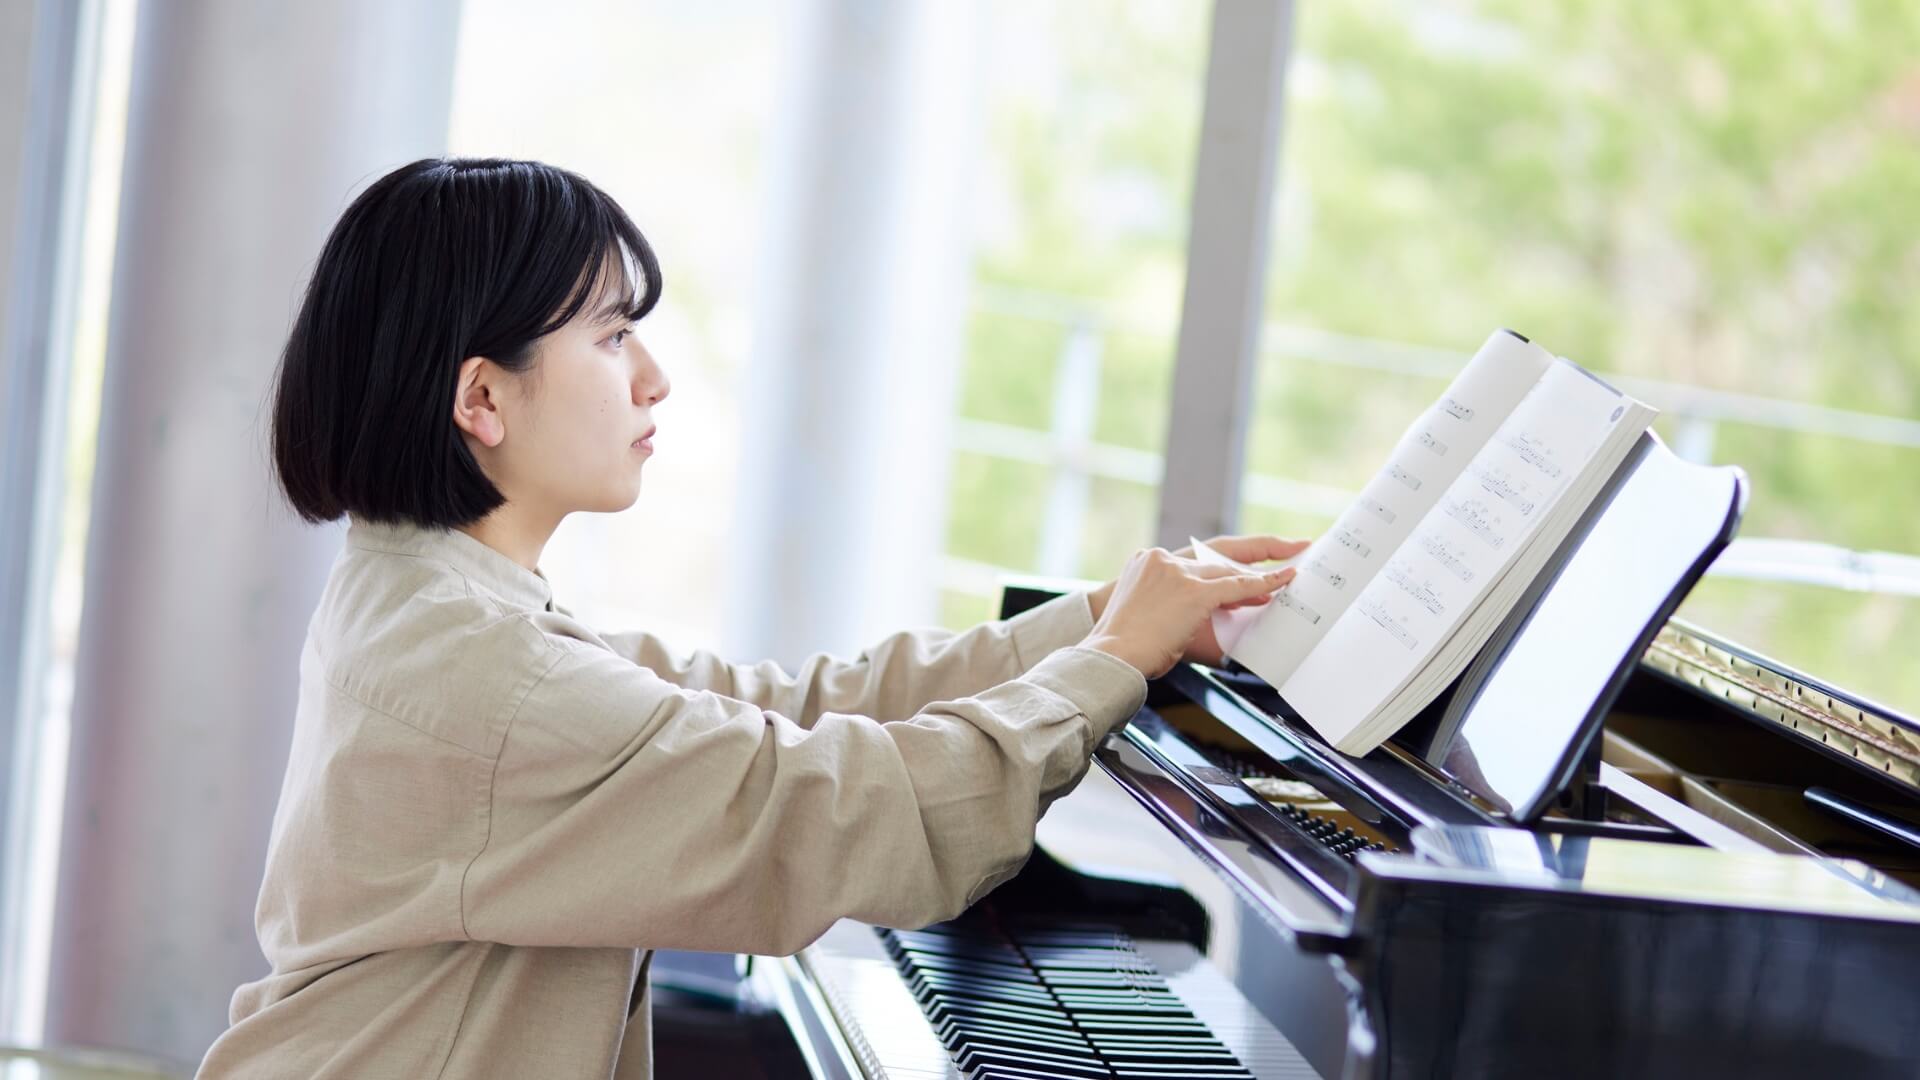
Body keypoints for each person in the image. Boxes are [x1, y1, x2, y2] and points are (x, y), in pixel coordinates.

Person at [195, 157, 1304, 1079]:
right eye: (613, 336)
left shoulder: (434, 600)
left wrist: (1101, 621)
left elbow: (771, 711)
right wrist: (1114, 659)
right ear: (482, 399)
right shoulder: (488, 675)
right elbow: (843, 813)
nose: (655, 379)